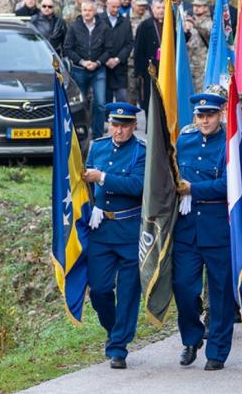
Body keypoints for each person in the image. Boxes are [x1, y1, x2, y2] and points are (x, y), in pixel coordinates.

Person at [83, 103, 146, 370]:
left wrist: (103, 177)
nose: (118, 130)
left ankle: (118, 347)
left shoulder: (140, 151)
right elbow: (85, 177)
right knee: (99, 290)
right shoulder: (97, 146)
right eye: (114, 125)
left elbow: (138, 186)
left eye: (124, 125)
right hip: (101, 229)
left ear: (133, 125)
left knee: (129, 292)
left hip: (129, 228)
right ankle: (113, 328)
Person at [173, 94, 234, 371]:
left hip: (217, 225)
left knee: (220, 293)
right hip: (186, 227)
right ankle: (191, 338)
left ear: (220, 114)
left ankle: (218, 351)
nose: (205, 120)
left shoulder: (230, 144)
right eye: (200, 116)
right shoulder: (184, 142)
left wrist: (194, 188)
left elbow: (229, 184)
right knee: (183, 287)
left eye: (210, 115)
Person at [64, 0, 109, 139]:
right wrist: (83, 62)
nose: (87, 13)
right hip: (79, 70)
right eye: (84, 10)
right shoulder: (74, 27)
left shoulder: (104, 27)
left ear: (95, 11)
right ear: (81, 11)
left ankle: (97, 135)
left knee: (100, 103)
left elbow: (109, 49)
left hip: (98, 70)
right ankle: (80, 133)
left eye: (90, 10)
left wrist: (97, 62)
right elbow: (68, 48)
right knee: (80, 103)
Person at [133, 0, 166, 109]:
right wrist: (139, 74)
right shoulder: (144, 26)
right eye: (158, 7)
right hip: (150, 71)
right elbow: (138, 51)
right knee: (151, 104)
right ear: (152, 8)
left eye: (163, 7)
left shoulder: (170, 24)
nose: (161, 10)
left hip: (166, 70)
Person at [100, 0, 133, 103]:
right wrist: (105, 59)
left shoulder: (125, 22)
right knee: (104, 102)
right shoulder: (99, 20)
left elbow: (129, 44)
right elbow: (95, 43)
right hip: (102, 68)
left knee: (122, 101)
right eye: (113, 7)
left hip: (120, 68)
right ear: (107, 5)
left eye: (118, 7)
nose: (115, 10)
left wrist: (117, 59)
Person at [185, 0, 212, 92]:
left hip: (202, 65)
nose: (196, 8)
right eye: (194, 5)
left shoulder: (210, 22)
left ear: (206, 7)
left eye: (199, 6)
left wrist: (195, 24)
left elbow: (208, 33)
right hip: (189, 63)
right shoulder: (189, 20)